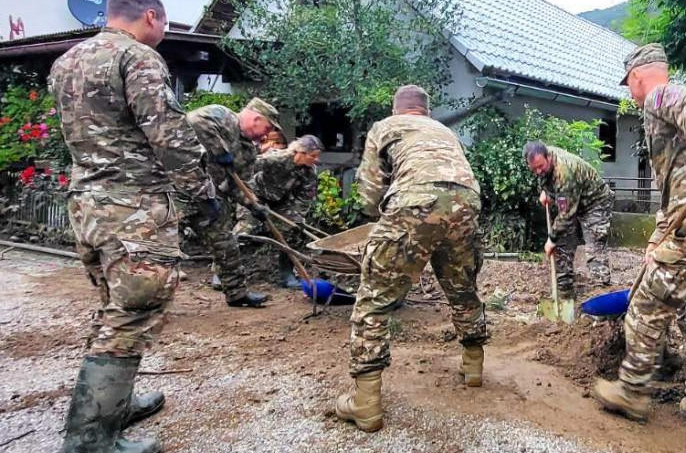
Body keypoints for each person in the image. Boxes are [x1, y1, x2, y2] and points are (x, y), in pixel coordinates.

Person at [48, 0, 218, 453]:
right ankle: (90, 439)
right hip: (133, 207)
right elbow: (167, 134)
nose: (163, 34)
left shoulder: (68, 61)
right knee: (134, 310)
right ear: (150, 16)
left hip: (87, 204)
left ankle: (113, 405)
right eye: (164, 25)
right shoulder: (138, 58)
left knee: (114, 306)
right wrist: (202, 195)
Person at [591, 43, 686, 433]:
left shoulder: (660, 95)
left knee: (644, 308)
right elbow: (673, 198)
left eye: (628, 84)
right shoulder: (663, 121)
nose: (630, 92)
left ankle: (632, 392)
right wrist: (655, 243)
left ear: (638, 76)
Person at [336, 85, 486, 432]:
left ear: (396, 109)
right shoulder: (445, 131)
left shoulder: (385, 127)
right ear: (426, 111)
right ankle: (473, 366)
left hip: (413, 202)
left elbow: (370, 189)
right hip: (467, 202)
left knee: (374, 300)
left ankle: (366, 405)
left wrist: (380, 218)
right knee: (462, 289)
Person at [185, 97, 283, 307]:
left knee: (226, 244)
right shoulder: (221, 115)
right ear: (256, 119)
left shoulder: (248, 151)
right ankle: (146, 295)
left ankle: (237, 293)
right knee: (162, 243)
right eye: (266, 127)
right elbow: (192, 121)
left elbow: (238, 186)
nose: (266, 134)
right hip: (180, 191)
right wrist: (219, 149)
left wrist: (253, 205)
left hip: (212, 201)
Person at [523, 141, 613, 297]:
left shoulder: (564, 172)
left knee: (594, 246)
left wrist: (551, 239)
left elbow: (566, 214)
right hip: (573, 200)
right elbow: (549, 183)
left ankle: (602, 296)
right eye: (534, 169)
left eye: (541, 166)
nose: (538, 171)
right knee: (562, 244)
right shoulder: (542, 160)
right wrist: (548, 193)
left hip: (595, 202)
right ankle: (565, 294)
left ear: (548, 158)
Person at [245, 134, 324, 287]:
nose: (316, 160)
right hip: (254, 194)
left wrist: (298, 218)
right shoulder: (275, 158)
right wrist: (249, 200)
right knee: (245, 229)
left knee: (294, 228)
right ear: (300, 153)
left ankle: (286, 273)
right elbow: (245, 169)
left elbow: (304, 198)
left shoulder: (310, 171)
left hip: (281, 199)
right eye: (313, 156)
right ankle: (223, 272)